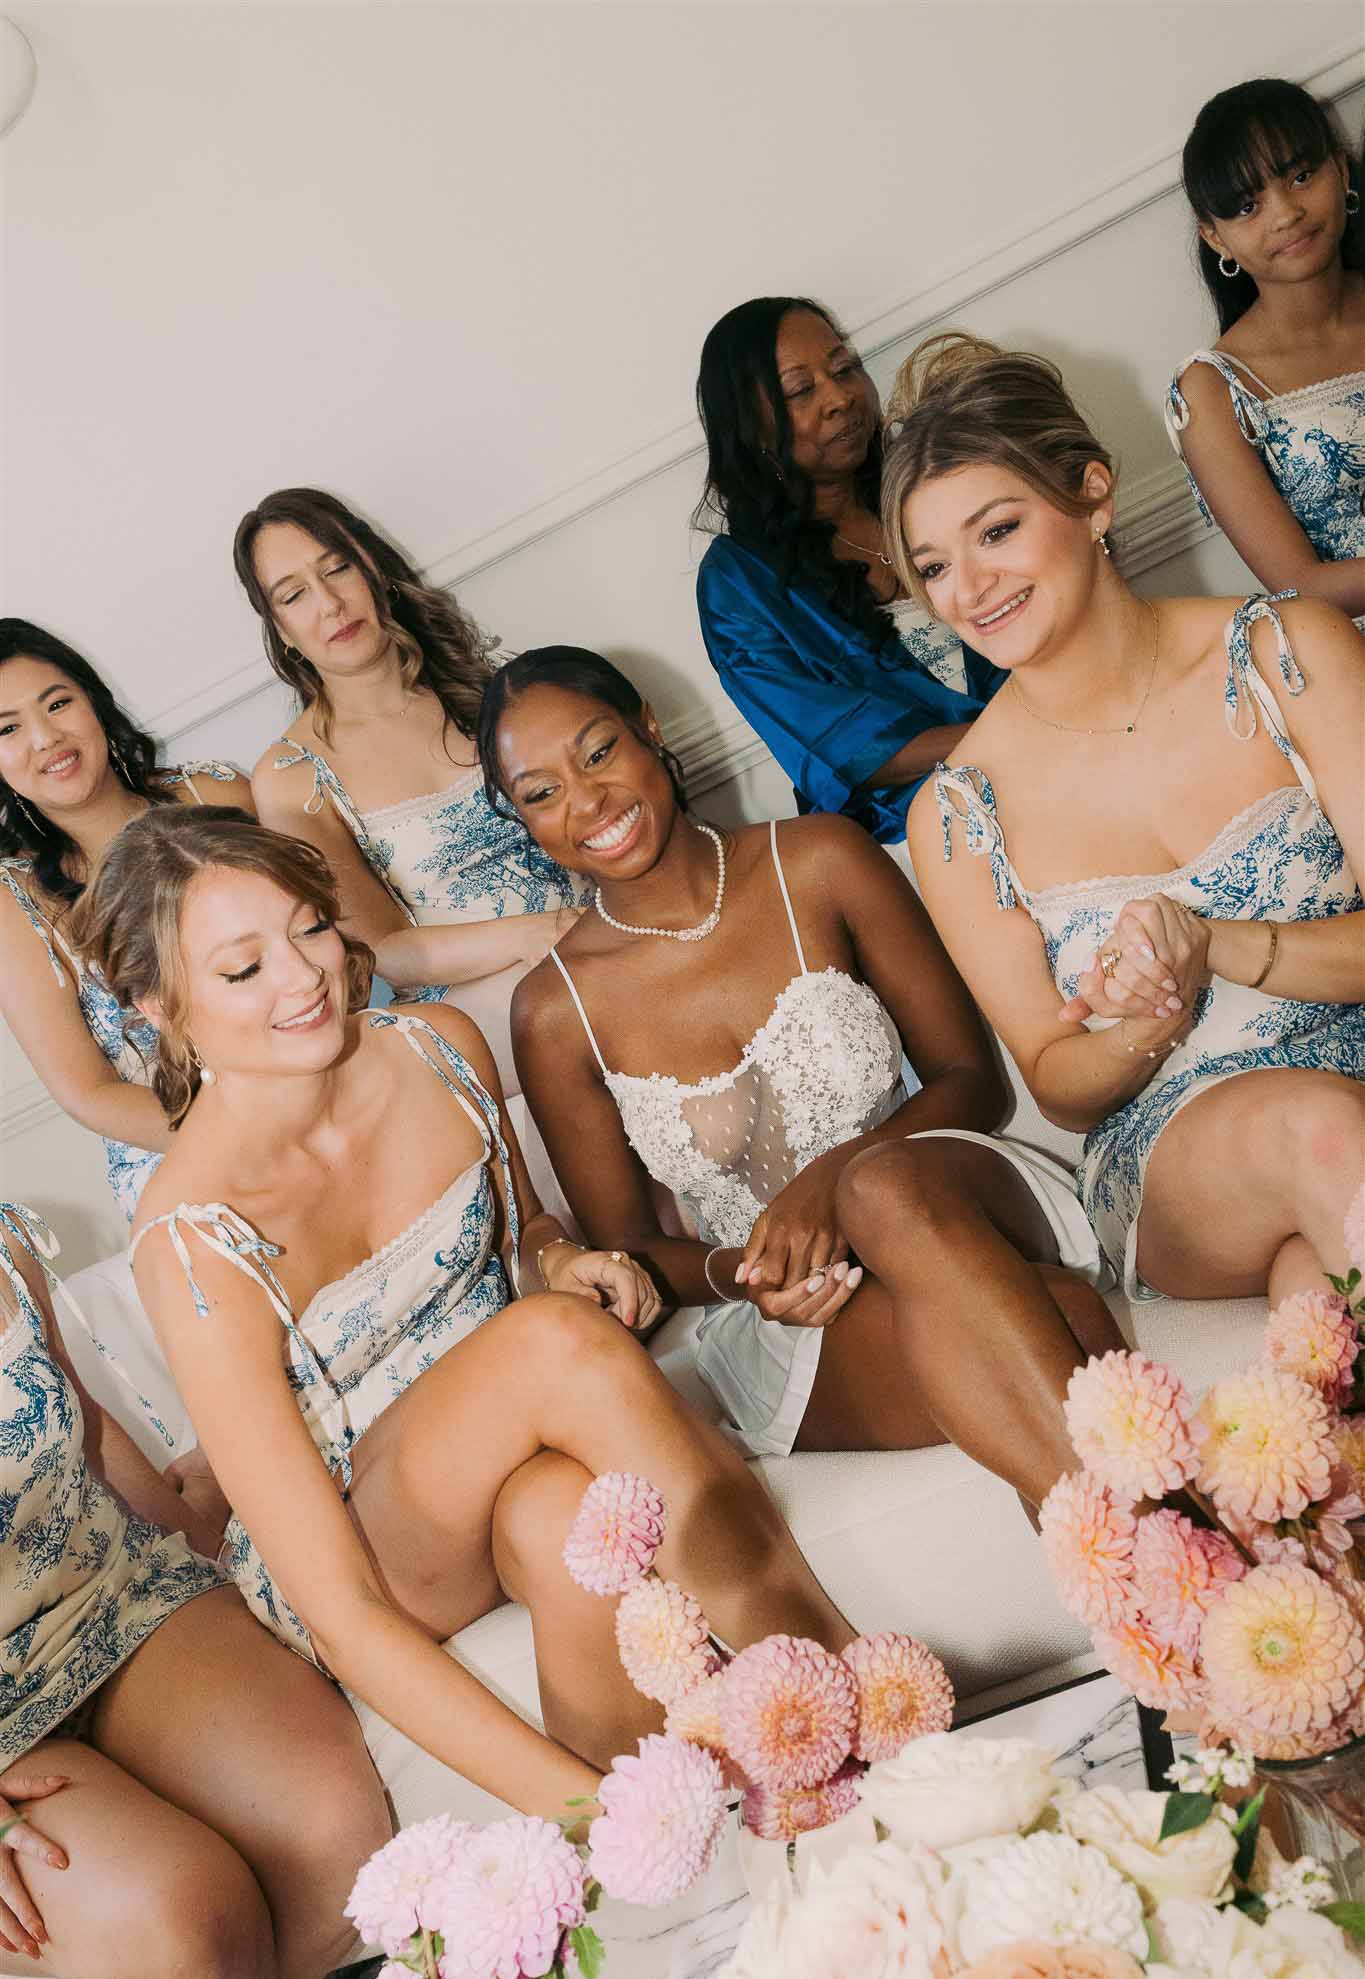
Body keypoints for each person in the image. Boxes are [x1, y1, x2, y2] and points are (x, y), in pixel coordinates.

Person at [75, 806, 857, 1817]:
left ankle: (709, 1831)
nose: (305, 975)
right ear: (155, 1003)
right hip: (375, 1546)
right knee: (550, 1344)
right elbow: (344, 1612)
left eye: (310, 926)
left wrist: (562, 1255)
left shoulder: (436, 1048)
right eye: (242, 968)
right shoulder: (191, 1239)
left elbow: (523, 1233)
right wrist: (577, 1817)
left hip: (518, 1443)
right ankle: (842, 1700)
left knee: (564, 1515)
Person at [481, 646, 1122, 1509]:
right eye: (541, 792)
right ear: (520, 818)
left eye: (597, 752)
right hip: (803, 1313)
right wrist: (752, 1273)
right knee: (1060, 1324)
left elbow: (970, 1078)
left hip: (949, 1188)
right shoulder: (554, 1011)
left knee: (884, 1187)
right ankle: (1156, 1578)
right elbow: (633, 1256)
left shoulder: (818, 859)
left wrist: (834, 1182)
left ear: (648, 725)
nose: (586, 801)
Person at [881, 332, 1364, 1306]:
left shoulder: (1289, 653)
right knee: (1318, 1127)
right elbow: (1056, 1076)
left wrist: (1215, 943)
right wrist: (1154, 1014)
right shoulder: (959, 812)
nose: (968, 591)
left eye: (997, 530)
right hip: (1181, 1146)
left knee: (1317, 1287)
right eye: (932, 565)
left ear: (1093, 494)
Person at [0, 1200, 389, 1979]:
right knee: (183, 1934)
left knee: (332, 1837)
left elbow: (86, 1433)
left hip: (113, 1597)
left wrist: (229, 1556)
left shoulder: (3, 1239)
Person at [236, 487, 588, 1093]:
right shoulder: (293, 774)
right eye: (294, 595)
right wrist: (539, 934)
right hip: (485, 1015)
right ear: (282, 631)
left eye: (338, 568)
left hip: (600, 939)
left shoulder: (490, 687)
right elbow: (379, 947)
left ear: (373, 570)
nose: (328, 603)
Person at [693, 297, 1004, 844]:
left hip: (1059, 755)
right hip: (914, 831)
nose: (840, 398)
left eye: (844, 369)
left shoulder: (925, 485)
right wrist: (1021, 736)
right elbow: (846, 753)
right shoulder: (738, 585)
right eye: (800, 390)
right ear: (750, 425)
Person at [0, 619, 254, 1224]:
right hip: (180, 1144)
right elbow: (88, 1093)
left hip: (317, 1069)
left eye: (57, 703)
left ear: (94, 703)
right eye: (8, 729)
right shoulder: (15, 904)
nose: (46, 738)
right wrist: (249, 1130)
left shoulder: (217, 794)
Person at [1166, 78, 1365, 618]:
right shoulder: (1212, 390)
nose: (1285, 214)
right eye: (1248, 206)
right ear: (1216, 238)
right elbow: (1299, 586)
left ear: (1341, 171)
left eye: (1301, 176)